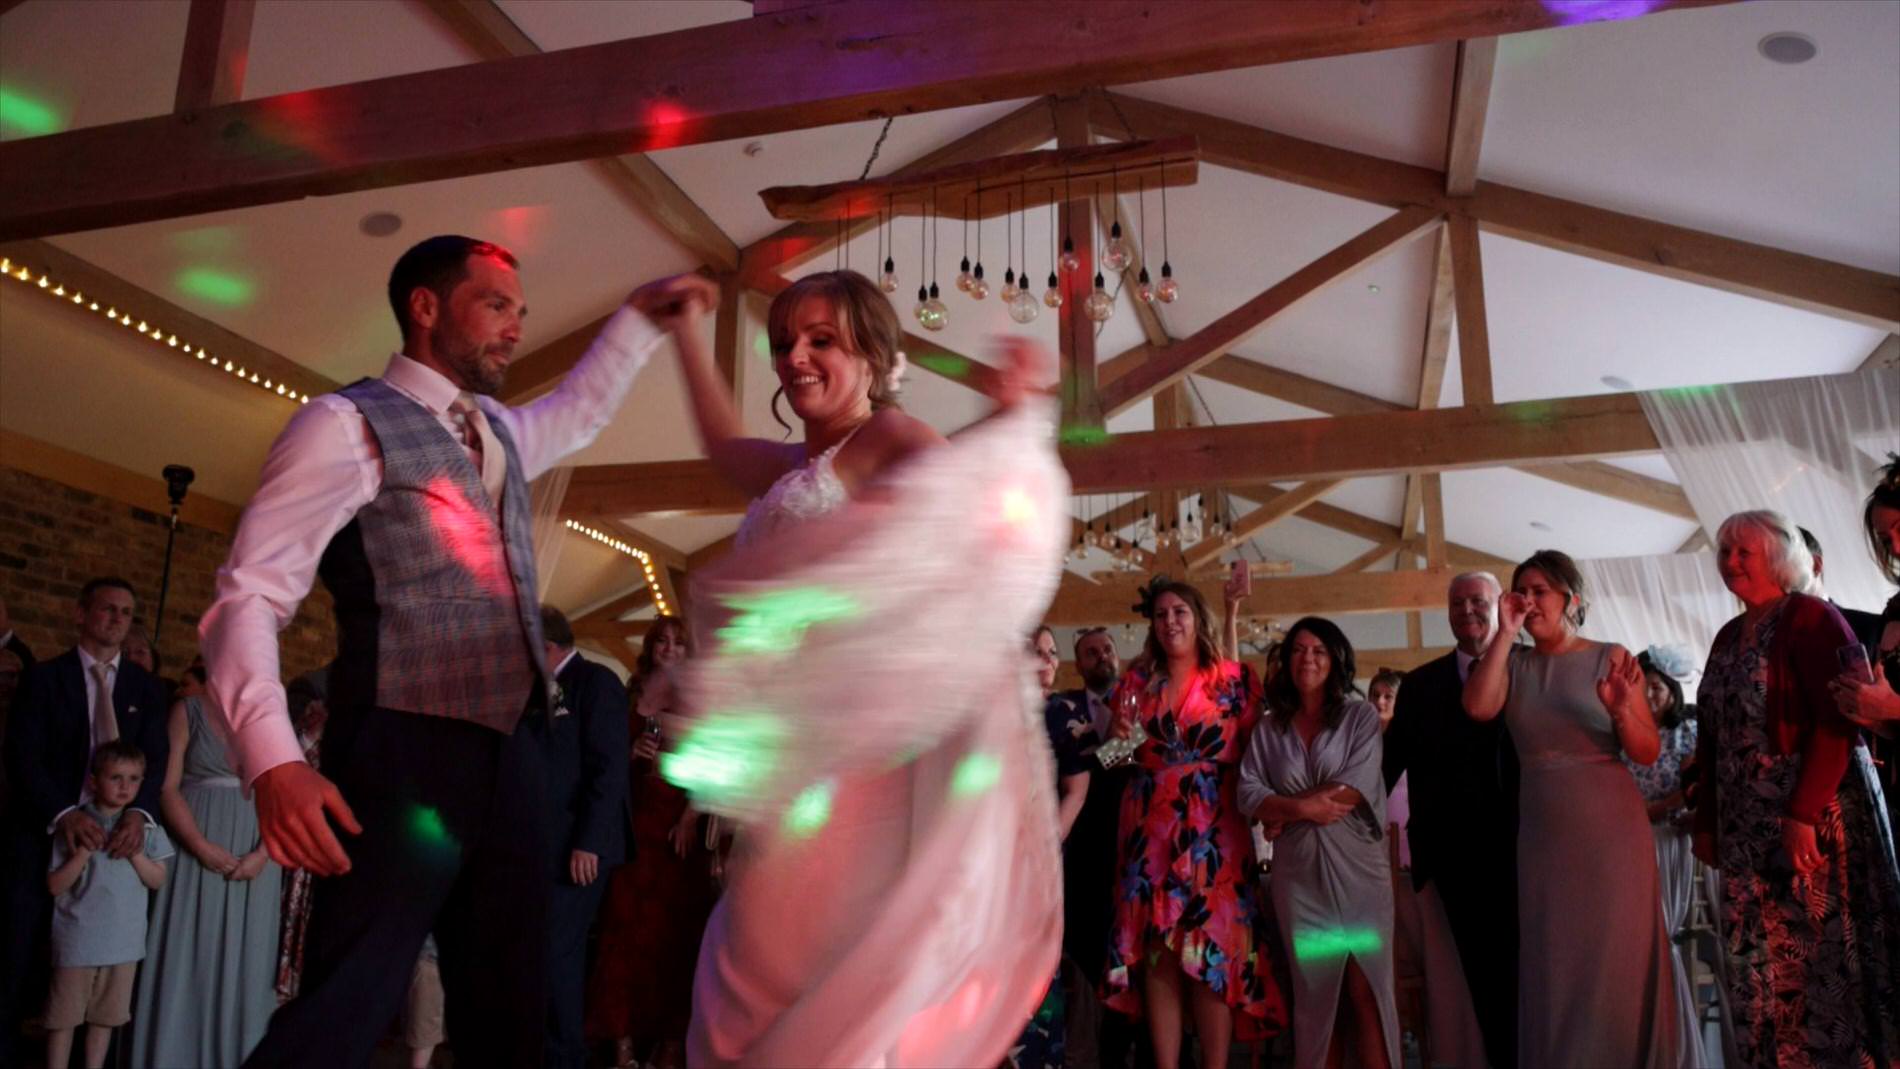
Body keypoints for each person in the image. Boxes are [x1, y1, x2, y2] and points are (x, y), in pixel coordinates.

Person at [198, 234, 692, 1068]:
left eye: (521, 313)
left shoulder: (495, 431)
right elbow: (248, 595)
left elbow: (577, 411)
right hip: (401, 747)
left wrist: (639, 322)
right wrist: (273, 760)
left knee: (511, 1007)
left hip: (516, 751)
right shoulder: (342, 422)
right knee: (348, 1001)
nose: (514, 329)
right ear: (425, 308)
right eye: (496, 305)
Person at [660, 268, 1067, 1066]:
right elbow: (716, 444)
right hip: (794, 759)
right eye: (785, 343)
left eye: (822, 341)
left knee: (812, 966)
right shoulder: (788, 466)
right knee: (759, 964)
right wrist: (682, 330)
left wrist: (1014, 418)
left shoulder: (887, 438)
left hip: (854, 765)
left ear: (875, 358)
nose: (795, 359)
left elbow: (963, 504)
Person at [1691, 510, 1900, 1067]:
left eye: (1744, 552)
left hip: (1811, 821)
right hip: (1743, 829)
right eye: (1725, 551)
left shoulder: (1813, 619)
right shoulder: (1728, 635)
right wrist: (1705, 821)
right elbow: (1710, 734)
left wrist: (1802, 813)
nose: (1730, 561)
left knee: (1817, 963)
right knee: (1758, 964)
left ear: (1780, 558)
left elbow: (1839, 722)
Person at [1464, 549, 1675, 1066]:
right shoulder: (1511, 661)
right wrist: (1506, 632)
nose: (1530, 600)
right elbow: (1477, 707)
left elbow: (1646, 752)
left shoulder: (1610, 656)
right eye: (1522, 591)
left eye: (1541, 591)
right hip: (1543, 831)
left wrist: (1624, 709)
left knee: (1612, 956)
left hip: (1610, 830)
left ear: (1571, 599)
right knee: (1556, 958)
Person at [1106, 577, 1281, 1069]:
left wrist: (1275, 814)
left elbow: (1258, 754)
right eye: (1160, 615)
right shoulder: (1137, 684)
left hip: (1215, 833)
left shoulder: (1234, 679)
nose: (1169, 623)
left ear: (1197, 617)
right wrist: (1115, 739)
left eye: (1179, 611)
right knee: (1160, 954)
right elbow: (1112, 761)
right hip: (1151, 832)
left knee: (1211, 955)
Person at [1, 576, 170, 1068]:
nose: (117, 619)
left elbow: (155, 759)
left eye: (125, 612)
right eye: (107, 609)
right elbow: (23, 755)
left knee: (104, 966)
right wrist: (65, 813)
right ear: (81, 614)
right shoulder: (45, 677)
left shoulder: (146, 688)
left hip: (117, 841)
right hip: (46, 831)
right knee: (18, 949)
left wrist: (138, 814)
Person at [1238, 617, 1397, 1069]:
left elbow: (1355, 785)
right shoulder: (1269, 729)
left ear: (1336, 660)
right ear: (1286, 661)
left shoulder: (1359, 716)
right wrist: (1299, 811)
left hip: (1360, 875)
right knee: (1315, 993)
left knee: (1365, 988)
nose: (1307, 658)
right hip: (1300, 881)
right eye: (1298, 650)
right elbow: (1248, 793)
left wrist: (1281, 809)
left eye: (1319, 651)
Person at [1381, 572, 1515, 1069]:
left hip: (1521, 852)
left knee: (1525, 978)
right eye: (1457, 603)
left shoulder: (1527, 669)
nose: (1467, 611)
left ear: (1499, 605)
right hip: (1448, 859)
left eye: (1477, 601)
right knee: (1471, 982)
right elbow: (1384, 767)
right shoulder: (1419, 685)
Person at [128, 683, 281, 1067]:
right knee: (188, 950)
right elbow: (166, 787)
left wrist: (263, 853)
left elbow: (284, 792)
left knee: (246, 960)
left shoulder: (272, 713)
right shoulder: (188, 711)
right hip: (193, 846)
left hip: (256, 856)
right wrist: (199, 845)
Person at [585, 616, 708, 1069]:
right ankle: (620, 1041)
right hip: (634, 829)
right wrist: (629, 755)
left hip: (679, 837)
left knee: (675, 940)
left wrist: (692, 817)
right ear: (650, 648)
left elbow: (716, 762)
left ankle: (671, 1041)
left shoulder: (700, 703)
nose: (669, 649)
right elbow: (600, 761)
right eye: (662, 641)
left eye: (678, 642)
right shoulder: (629, 696)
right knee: (623, 937)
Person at [526, 607, 628, 1069]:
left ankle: (565, 1057)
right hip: (545, 844)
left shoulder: (598, 683)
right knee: (542, 951)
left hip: (581, 846)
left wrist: (589, 840)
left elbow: (609, 769)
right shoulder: (535, 692)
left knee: (558, 952)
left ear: (548, 646)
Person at [1050, 627, 1151, 1069]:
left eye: (1107, 648)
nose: (1101, 656)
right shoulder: (1065, 712)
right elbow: (1078, 777)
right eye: (1091, 653)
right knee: (1092, 964)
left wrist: (1131, 740)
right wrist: (1115, 744)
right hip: (1087, 859)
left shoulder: (1140, 702)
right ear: (1079, 665)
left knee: (1140, 965)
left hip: (1140, 851)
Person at [42, 740, 172, 1069]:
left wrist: (136, 854)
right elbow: (54, 884)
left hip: (123, 943)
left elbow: (157, 880)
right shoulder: (75, 824)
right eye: (116, 777)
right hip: (77, 940)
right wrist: (83, 853)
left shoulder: (146, 828)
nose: (124, 787)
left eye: (133, 779)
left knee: (105, 1019)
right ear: (94, 780)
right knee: (63, 1019)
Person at [1624, 650, 1704, 1069]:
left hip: (1674, 835)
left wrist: (1659, 810)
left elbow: (1694, 785)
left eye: (1656, 687)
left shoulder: (1686, 730)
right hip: (1633, 838)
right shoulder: (1624, 733)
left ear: (1671, 691)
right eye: (1643, 686)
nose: (1650, 695)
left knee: (1673, 927)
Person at [1014, 624, 1085, 1069]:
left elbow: (1077, 789)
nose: (1047, 660)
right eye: (1036, 651)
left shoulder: (1062, 712)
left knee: (1039, 966)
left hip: (1040, 858)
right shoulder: (996, 713)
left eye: (1053, 652)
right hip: (993, 856)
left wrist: (1047, 847)